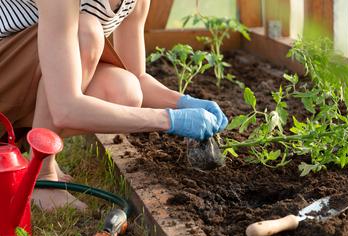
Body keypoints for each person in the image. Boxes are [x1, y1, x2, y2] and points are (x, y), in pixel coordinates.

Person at [0, 0, 228, 211]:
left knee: (124, 90)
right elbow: (65, 107)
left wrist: (182, 103)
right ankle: (42, 175)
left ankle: (20, 143)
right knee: (86, 31)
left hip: (23, 81)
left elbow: (136, 75)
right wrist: (169, 120)